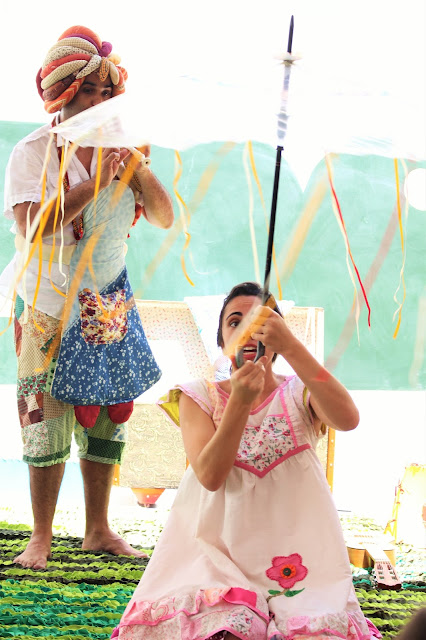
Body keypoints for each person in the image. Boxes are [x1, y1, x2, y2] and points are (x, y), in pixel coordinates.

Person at [112, 281, 381, 639]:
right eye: (235, 322)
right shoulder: (197, 395)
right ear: (222, 343)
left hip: (295, 560)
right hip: (215, 555)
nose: (249, 330)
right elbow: (209, 475)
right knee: (223, 628)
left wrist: (293, 347)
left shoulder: (302, 391)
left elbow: (348, 419)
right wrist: (239, 401)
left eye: (262, 322)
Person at [0, 25, 174, 570]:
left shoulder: (128, 152)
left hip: (109, 304)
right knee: (45, 417)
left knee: (106, 420)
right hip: (48, 306)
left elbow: (166, 218)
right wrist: (94, 182)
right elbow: (34, 226)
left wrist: (138, 171)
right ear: (65, 96)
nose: (102, 102)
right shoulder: (32, 152)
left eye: (108, 93)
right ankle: (42, 537)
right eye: (92, 93)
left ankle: (98, 528)